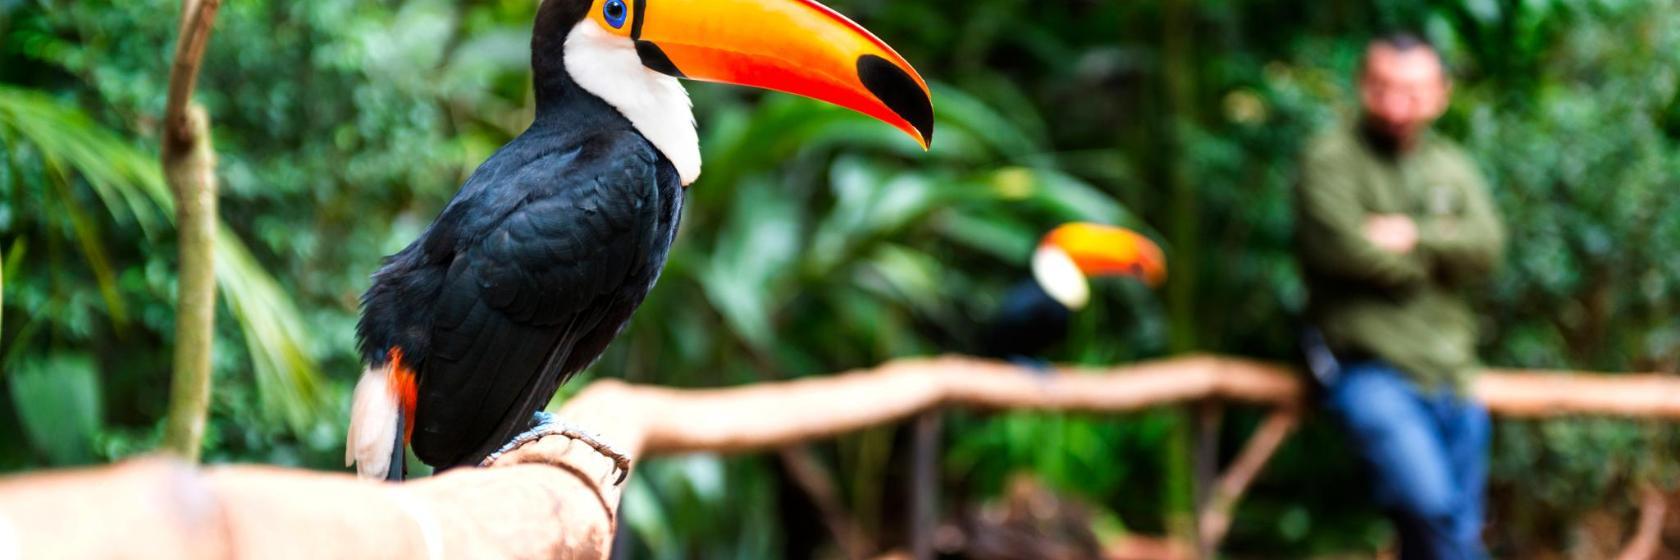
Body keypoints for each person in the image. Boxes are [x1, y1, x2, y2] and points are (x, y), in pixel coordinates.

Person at [1295, 33, 1505, 560]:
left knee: (1451, 525)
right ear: (1363, 87)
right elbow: (1344, 251)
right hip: (1368, 370)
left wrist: (1413, 235)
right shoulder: (1330, 160)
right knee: (1431, 509)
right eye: (1384, 88)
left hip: (1452, 372)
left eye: (1412, 91)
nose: (1396, 106)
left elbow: (1487, 246)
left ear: (1441, 93)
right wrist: (1440, 259)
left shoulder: (1452, 165)